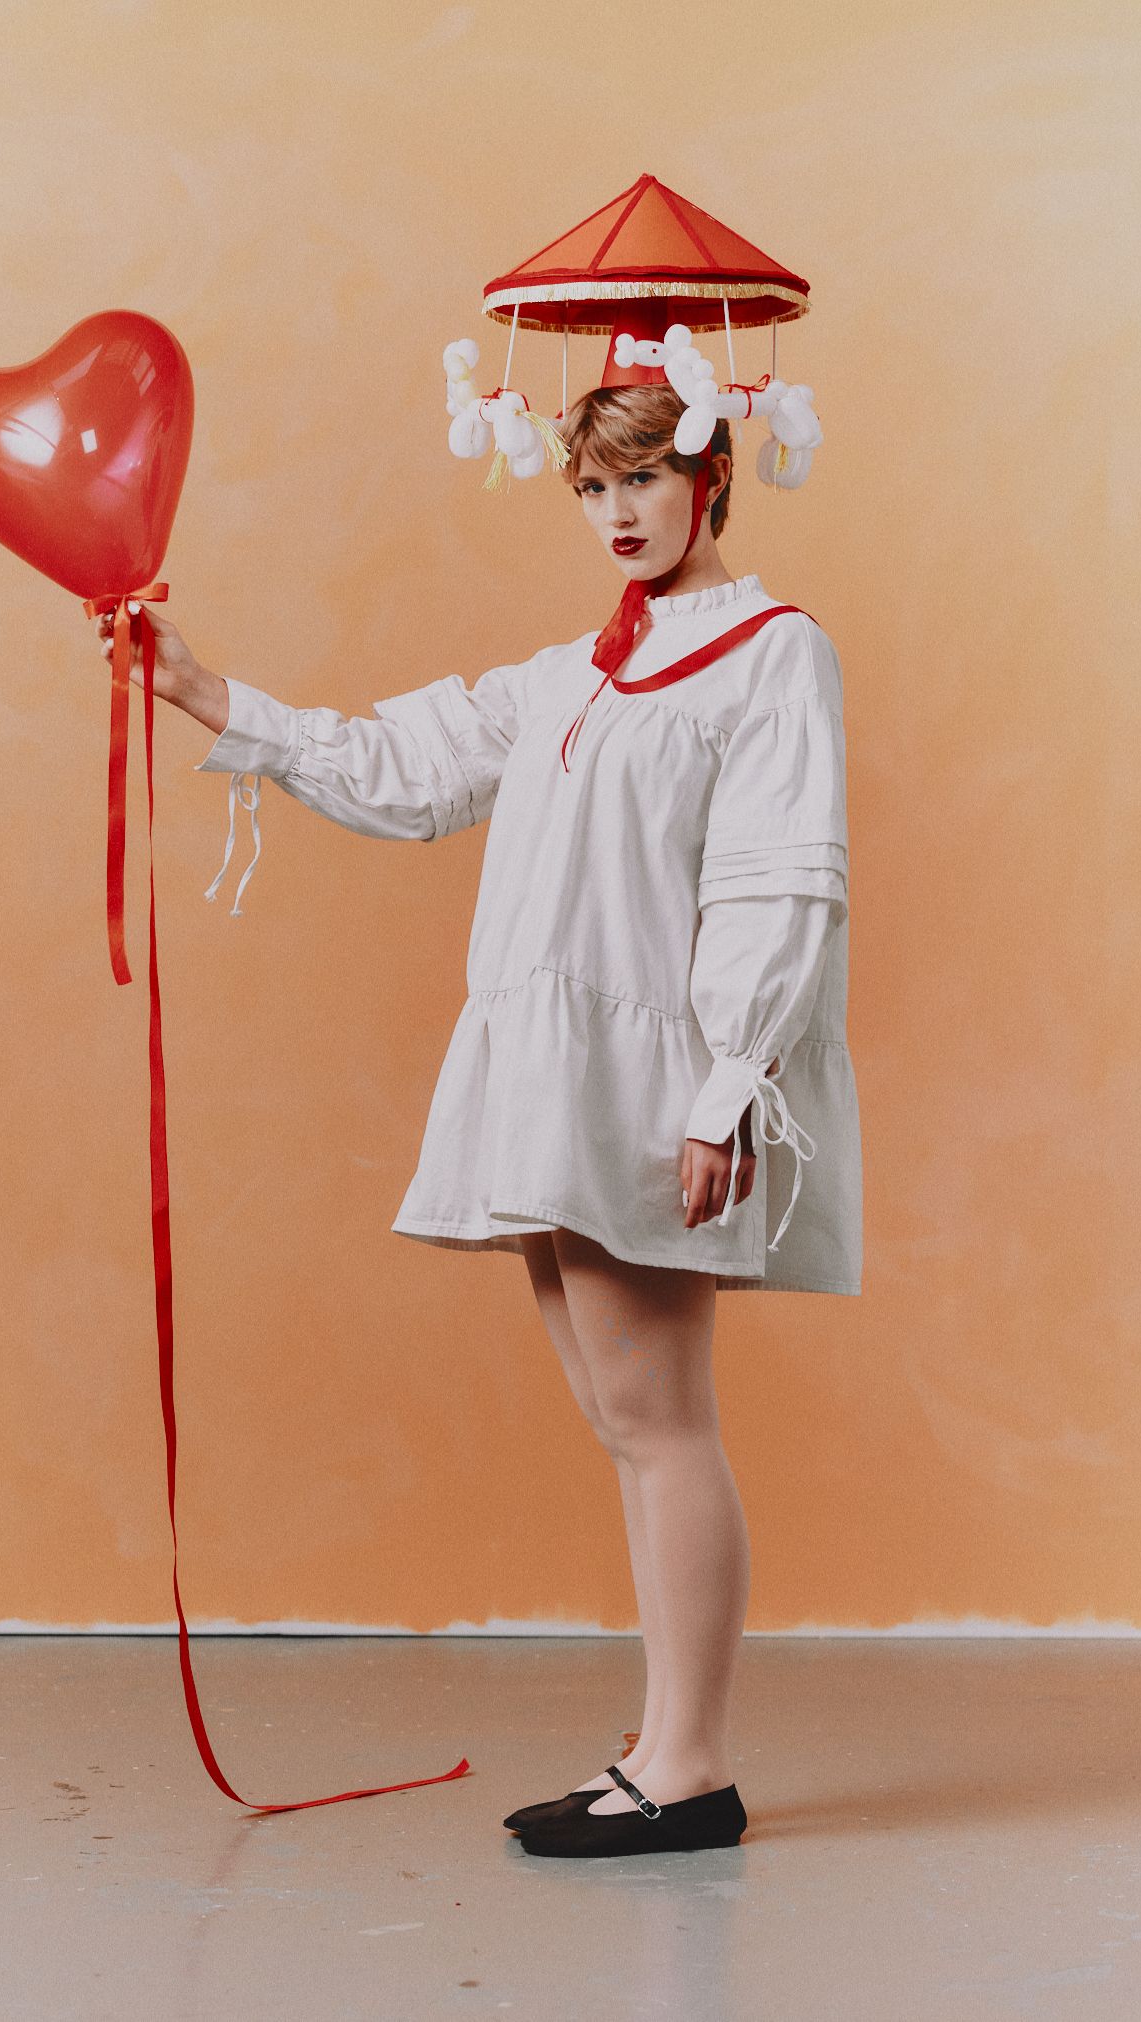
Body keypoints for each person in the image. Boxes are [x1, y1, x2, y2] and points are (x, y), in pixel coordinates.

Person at [94, 381, 860, 1857]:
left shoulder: (773, 655)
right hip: (551, 1079)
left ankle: (692, 1762)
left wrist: (724, 1092)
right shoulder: (572, 673)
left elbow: (781, 879)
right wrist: (202, 691)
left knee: (661, 1415)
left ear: (712, 475)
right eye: (592, 487)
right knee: (622, 1418)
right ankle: (659, 1745)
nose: (619, 512)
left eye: (646, 476)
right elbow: (408, 766)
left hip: (650, 1084)